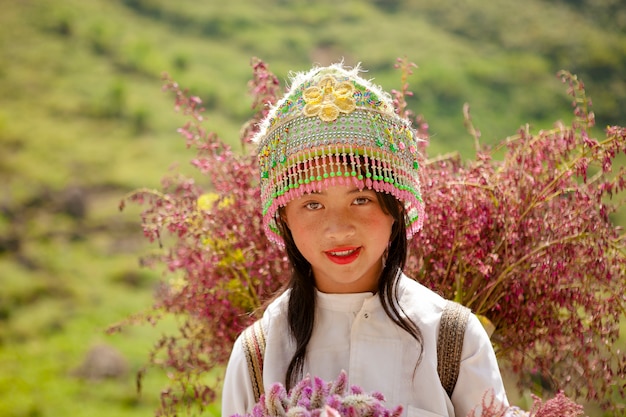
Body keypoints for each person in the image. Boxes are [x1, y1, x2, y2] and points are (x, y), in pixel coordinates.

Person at [221, 63, 509, 417]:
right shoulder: (258, 353)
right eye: (312, 204)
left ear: (394, 208)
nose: (339, 229)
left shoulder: (453, 337)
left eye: (361, 200)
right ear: (284, 218)